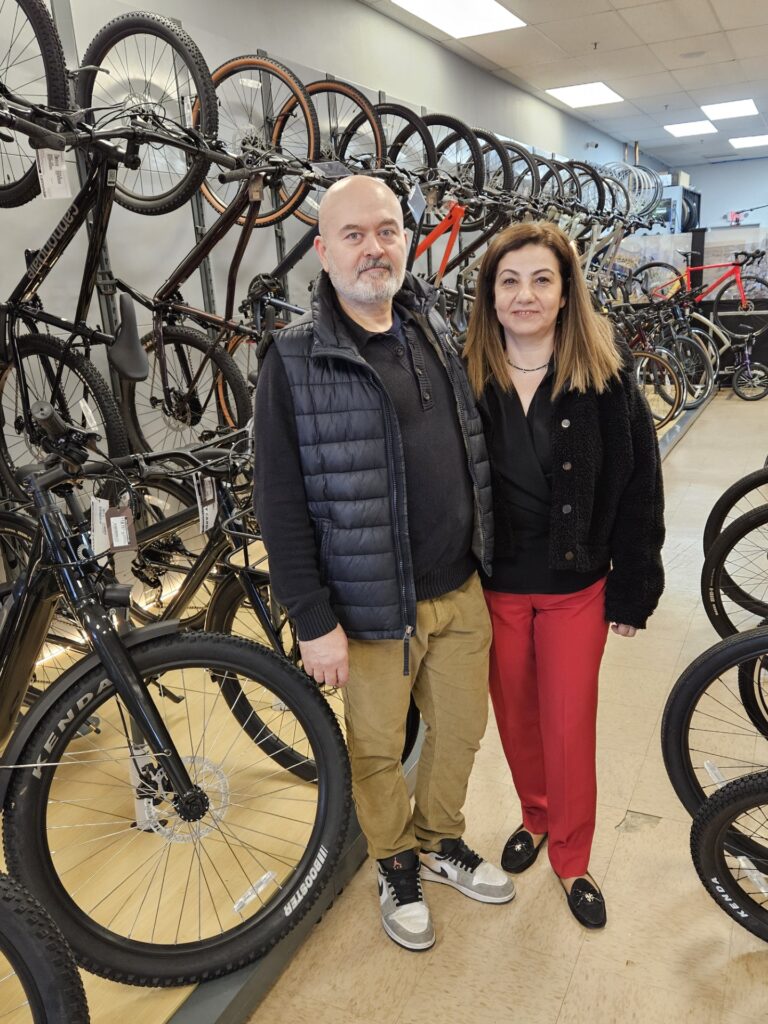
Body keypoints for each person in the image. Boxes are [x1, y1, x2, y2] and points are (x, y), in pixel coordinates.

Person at [252, 175, 514, 952]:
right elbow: (279, 502)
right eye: (356, 234)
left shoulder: (428, 325)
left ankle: (438, 840)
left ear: (406, 238)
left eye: (388, 230)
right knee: (374, 750)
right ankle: (394, 861)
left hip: (459, 587)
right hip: (368, 609)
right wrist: (312, 618)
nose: (376, 247)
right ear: (324, 250)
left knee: (462, 731)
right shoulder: (293, 361)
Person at [463, 221, 665, 929]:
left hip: (576, 586)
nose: (525, 294)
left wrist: (635, 586)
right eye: (509, 280)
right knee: (517, 722)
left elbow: (641, 484)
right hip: (494, 586)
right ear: (490, 295)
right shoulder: (469, 378)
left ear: (565, 290)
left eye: (541, 279)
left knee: (569, 724)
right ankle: (536, 814)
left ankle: (572, 856)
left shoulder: (606, 378)